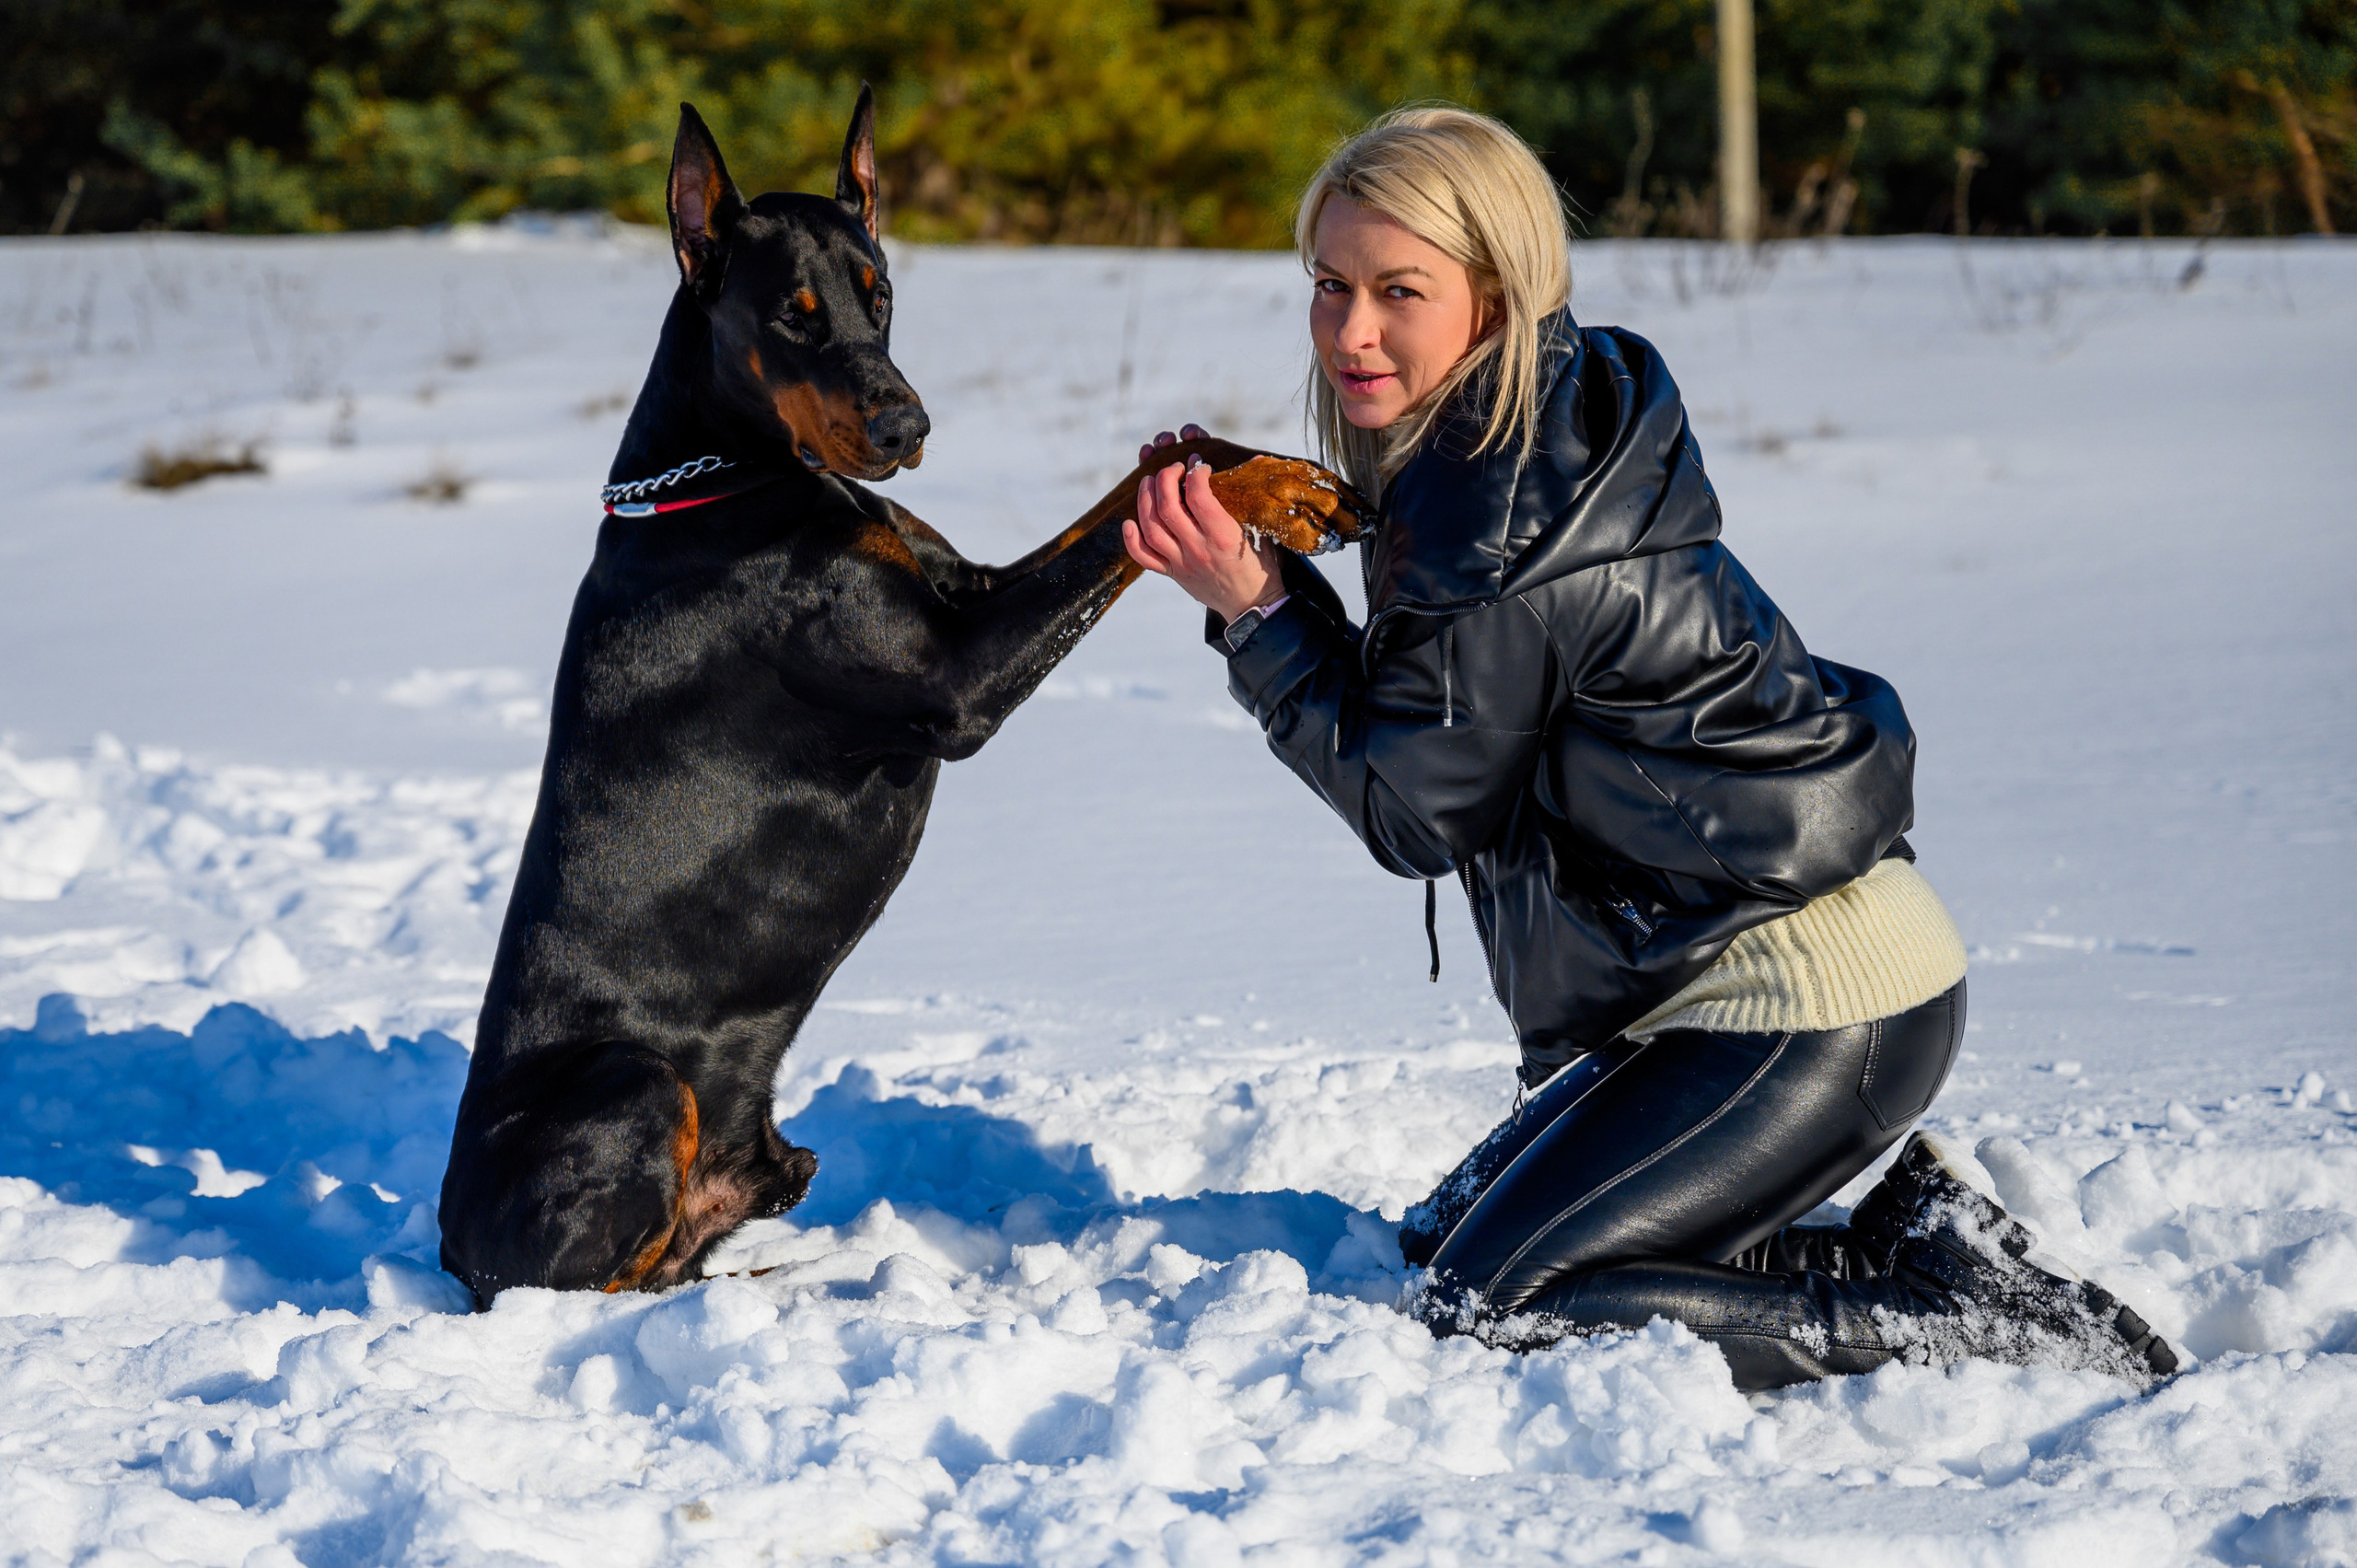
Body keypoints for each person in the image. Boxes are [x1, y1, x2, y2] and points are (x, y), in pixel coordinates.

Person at [1121, 107, 2177, 1390]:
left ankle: (1956, 1312)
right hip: (1732, 982)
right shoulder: (1514, 444)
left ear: (1499, 295)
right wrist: (1283, 570)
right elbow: (1449, 731)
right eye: (1330, 286)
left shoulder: (1498, 510)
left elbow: (1413, 811)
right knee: (1445, 1240)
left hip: (1807, 1000)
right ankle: (1928, 1243)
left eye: (1400, 291)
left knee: (1498, 1303)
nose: (1350, 332)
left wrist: (1259, 612)